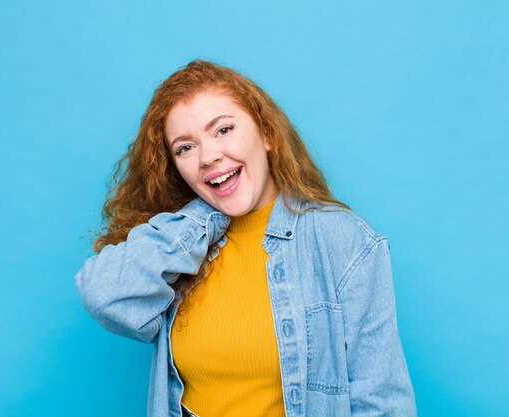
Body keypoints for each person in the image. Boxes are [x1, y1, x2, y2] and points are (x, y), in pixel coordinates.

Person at [75, 60, 417, 417]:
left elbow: (382, 405)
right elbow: (104, 294)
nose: (209, 156)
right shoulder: (184, 247)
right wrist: (203, 212)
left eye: (223, 130)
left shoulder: (345, 242)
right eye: (185, 148)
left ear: (266, 134)